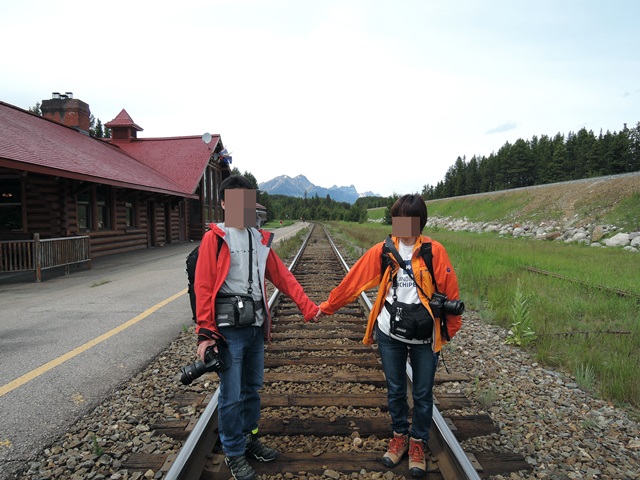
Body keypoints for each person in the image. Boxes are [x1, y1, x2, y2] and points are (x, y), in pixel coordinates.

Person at [316, 194, 462, 477]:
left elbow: (451, 294)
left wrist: (447, 333)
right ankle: (399, 436)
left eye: (409, 219)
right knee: (396, 390)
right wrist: (328, 306)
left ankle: (417, 442)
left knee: (422, 393)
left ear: (420, 221)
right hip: (390, 334)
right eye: (399, 218)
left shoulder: (435, 251)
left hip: (424, 338)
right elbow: (354, 281)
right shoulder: (384, 250)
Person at [194, 174, 319, 480]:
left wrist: (306, 305)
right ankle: (234, 453)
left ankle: (249, 439)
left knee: (253, 390)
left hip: (255, 327)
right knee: (231, 394)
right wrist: (205, 334)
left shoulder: (258, 238)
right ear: (223, 203)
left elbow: (281, 276)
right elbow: (203, 286)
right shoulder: (215, 239)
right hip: (228, 331)